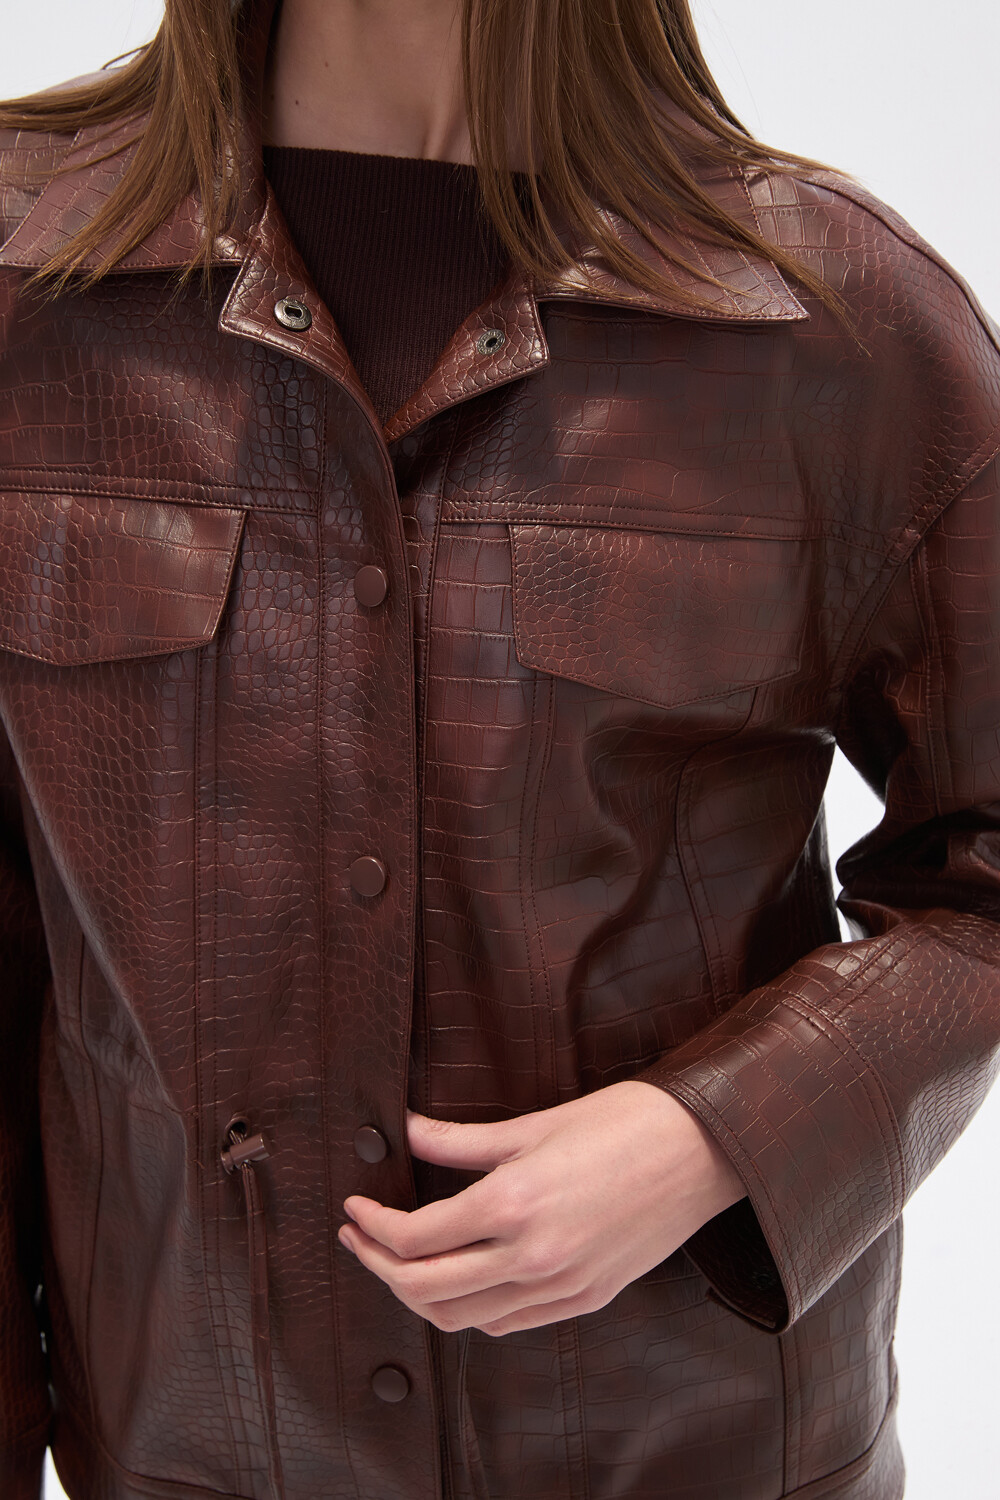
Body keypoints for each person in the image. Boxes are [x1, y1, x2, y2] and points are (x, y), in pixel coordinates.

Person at [0, 0, 997, 1496]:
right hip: (184, 1447)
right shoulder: (27, 276)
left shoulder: (830, 314)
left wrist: (718, 1134)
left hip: (703, 1451)